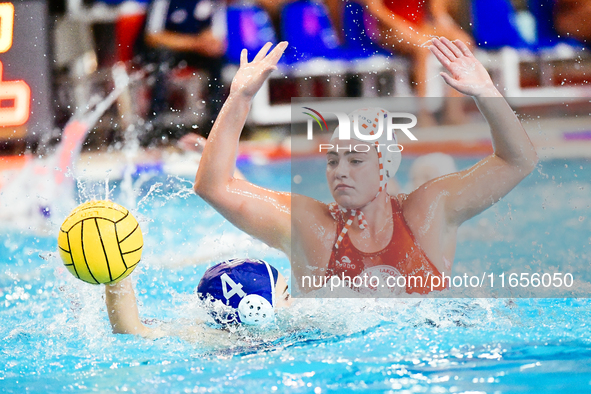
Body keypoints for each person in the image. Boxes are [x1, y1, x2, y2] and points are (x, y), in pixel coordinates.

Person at [193, 38, 538, 295]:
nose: (339, 170)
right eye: (332, 160)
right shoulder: (311, 227)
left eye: (355, 160)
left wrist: (486, 93)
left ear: (386, 168)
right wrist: (239, 98)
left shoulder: (428, 211)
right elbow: (214, 188)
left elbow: (517, 160)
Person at [104, 258, 292, 339]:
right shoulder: (217, 339)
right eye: (286, 296)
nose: (293, 302)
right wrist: (117, 278)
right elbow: (133, 332)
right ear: (255, 308)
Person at [138, 0, 227, 140]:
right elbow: (152, 37)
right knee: (162, 62)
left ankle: (215, 126)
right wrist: (194, 42)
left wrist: (209, 43)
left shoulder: (213, 3)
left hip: (196, 52)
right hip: (165, 52)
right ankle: (153, 125)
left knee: (216, 62)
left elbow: (219, 41)